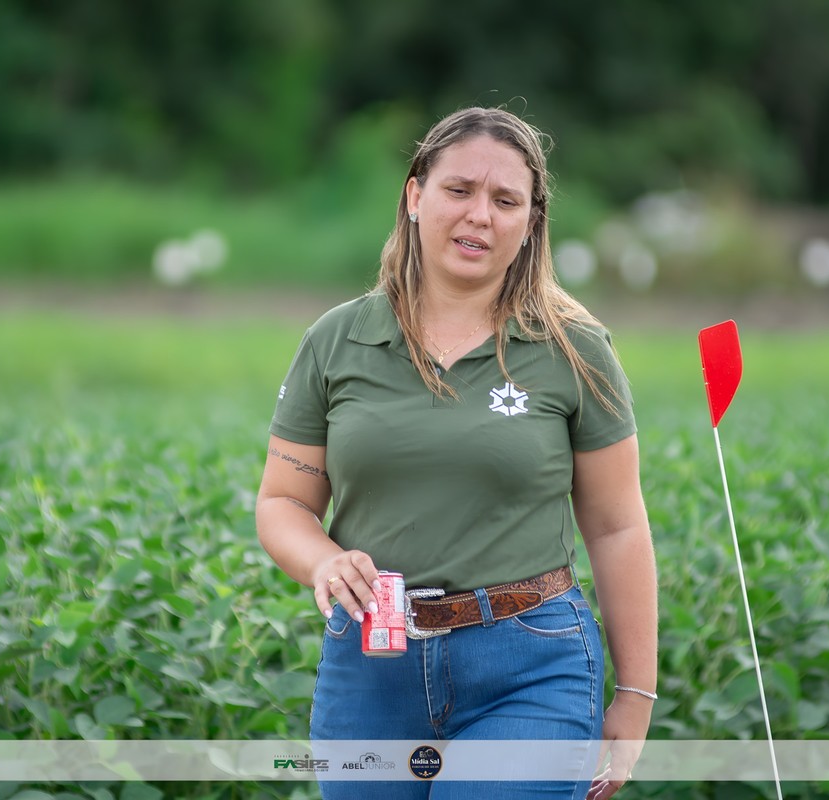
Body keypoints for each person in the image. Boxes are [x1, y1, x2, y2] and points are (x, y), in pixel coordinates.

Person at [256, 106, 657, 800]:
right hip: (371, 662)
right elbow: (283, 501)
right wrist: (324, 561)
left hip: (531, 665)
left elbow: (618, 525)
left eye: (506, 201)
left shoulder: (575, 350)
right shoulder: (336, 340)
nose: (480, 216)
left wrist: (636, 696)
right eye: (459, 190)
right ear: (415, 196)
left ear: (531, 222)